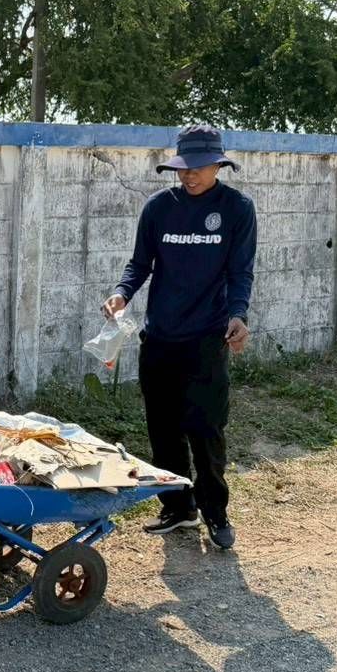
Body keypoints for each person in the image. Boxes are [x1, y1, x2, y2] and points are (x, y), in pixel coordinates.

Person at [102, 124, 256, 550]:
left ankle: (215, 513)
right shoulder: (158, 208)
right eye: (183, 169)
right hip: (160, 338)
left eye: (199, 168)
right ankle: (178, 507)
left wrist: (238, 315)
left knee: (205, 429)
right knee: (163, 429)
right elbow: (139, 264)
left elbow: (240, 272)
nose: (189, 176)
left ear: (218, 165)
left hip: (207, 339)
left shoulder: (237, 209)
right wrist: (120, 294)